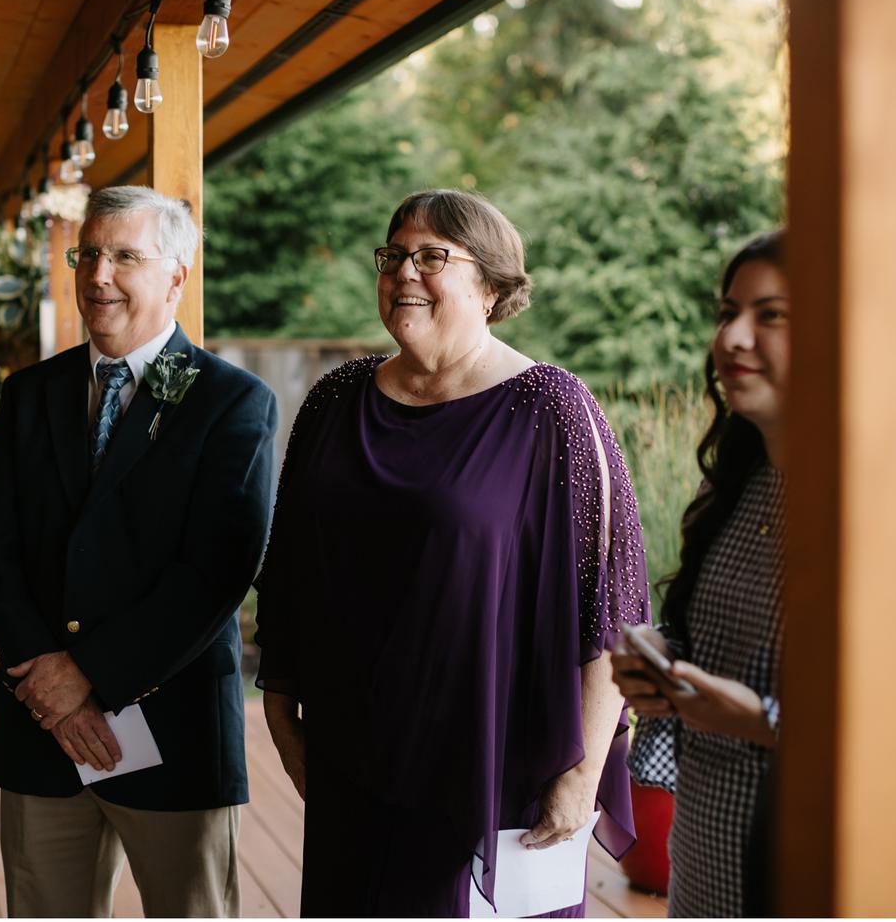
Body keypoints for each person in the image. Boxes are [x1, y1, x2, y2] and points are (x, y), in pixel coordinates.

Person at [253, 188, 651, 917]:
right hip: (353, 761)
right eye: (393, 256)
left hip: (496, 761)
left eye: (432, 256)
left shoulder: (552, 408)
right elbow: (288, 574)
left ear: (491, 285)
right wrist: (282, 722)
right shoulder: (334, 399)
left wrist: (584, 772)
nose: (405, 272)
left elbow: (613, 602)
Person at [0, 185, 277, 917]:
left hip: (171, 732)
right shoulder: (29, 394)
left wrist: (90, 680)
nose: (98, 275)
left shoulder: (230, 402)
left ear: (176, 276)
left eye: (125, 257)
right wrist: (51, 691)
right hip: (40, 730)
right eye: (89, 254)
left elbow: (215, 573)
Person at [610, 231, 787, 917]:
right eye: (726, 312)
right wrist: (661, 666)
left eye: (770, 314)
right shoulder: (737, 487)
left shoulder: (873, 512)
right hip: (704, 862)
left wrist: (765, 721)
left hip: (803, 867)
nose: (734, 337)